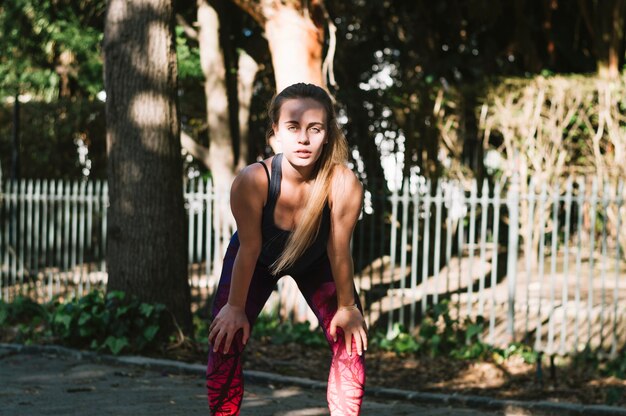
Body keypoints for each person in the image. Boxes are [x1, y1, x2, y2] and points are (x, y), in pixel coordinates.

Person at [206, 83, 367, 416]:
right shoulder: (254, 180)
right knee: (225, 338)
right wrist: (235, 307)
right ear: (275, 134)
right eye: (293, 127)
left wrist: (348, 306)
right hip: (256, 259)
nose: (304, 139)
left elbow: (339, 251)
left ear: (328, 134)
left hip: (318, 262)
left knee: (350, 342)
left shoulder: (343, 183)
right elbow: (249, 249)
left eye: (315, 128)